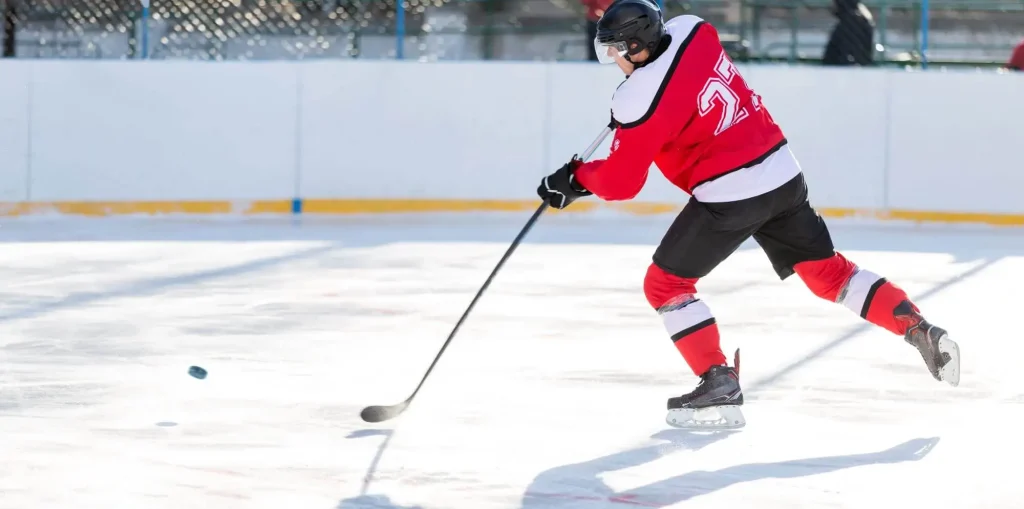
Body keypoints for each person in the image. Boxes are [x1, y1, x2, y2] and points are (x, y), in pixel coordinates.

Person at [536, 0, 959, 430]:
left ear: (635, 47)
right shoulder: (693, 31)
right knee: (828, 273)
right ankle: (917, 327)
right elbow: (676, 78)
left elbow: (622, 182)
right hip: (781, 173)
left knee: (665, 284)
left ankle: (717, 379)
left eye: (615, 49)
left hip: (731, 192)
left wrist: (574, 179)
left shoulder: (636, 99)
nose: (612, 58)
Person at [822, 0, 875, 66]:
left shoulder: (849, 24)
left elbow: (847, 53)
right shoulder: (862, 17)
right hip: (856, 66)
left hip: (846, 68)